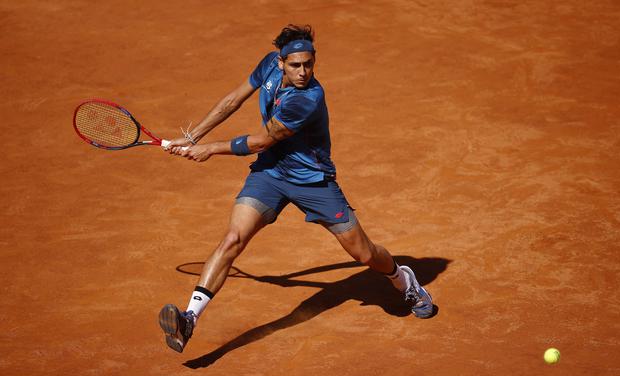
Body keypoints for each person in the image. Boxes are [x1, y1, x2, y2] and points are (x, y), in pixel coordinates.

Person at [159, 24, 434, 353]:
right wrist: (192, 137)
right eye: (295, 65)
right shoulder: (267, 66)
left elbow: (262, 140)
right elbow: (231, 101)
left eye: (309, 64)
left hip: (313, 182)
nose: (303, 72)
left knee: (364, 253)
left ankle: (404, 280)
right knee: (233, 239)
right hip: (270, 174)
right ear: (280, 62)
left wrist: (210, 149)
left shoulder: (308, 98)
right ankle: (189, 318)